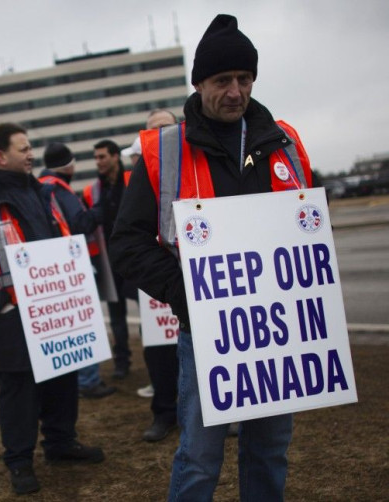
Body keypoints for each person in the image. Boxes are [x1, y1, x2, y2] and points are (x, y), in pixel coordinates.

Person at [109, 14, 313, 500]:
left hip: (276, 330)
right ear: (199, 82)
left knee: (269, 449)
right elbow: (127, 242)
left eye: (245, 80)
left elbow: (309, 224)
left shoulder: (284, 141)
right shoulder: (165, 151)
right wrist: (185, 291)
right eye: (223, 81)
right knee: (199, 458)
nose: (236, 92)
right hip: (204, 333)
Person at [0, 123, 104, 495]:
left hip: (51, 314)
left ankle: (60, 444)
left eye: (30, 147)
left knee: (62, 379)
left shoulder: (41, 194)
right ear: (0, 156)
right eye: (23, 149)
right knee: (19, 391)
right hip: (9, 319)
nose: (31, 154)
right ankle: (19, 462)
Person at [120, 109, 181, 442]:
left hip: (194, 280)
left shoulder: (191, 169)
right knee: (158, 353)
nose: (161, 135)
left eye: (167, 128)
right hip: (156, 285)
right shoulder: (138, 177)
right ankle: (164, 413)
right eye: (153, 131)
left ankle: (215, 412)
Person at [39, 142, 115, 399]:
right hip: (74, 265)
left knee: (67, 325)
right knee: (83, 321)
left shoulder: (38, 187)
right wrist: (98, 211)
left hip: (53, 269)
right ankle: (89, 380)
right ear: (68, 165)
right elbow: (80, 223)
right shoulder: (59, 189)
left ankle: (80, 379)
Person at [83, 139, 131, 379]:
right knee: (116, 316)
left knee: (151, 310)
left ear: (115, 156)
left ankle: (159, 350)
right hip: (109, 261)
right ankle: (122, 361)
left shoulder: (132, 180)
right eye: (96, 158)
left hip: (136, 257)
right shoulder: (92, 191)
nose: (98, 162)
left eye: (102, 156)